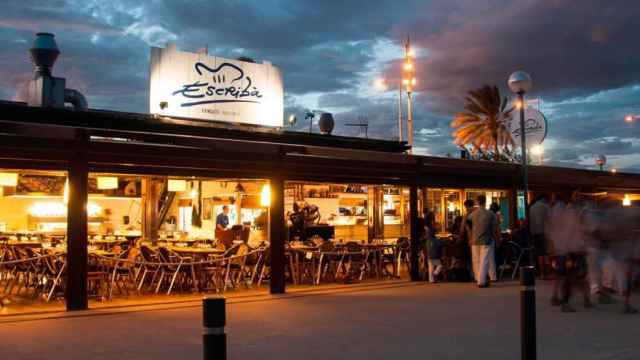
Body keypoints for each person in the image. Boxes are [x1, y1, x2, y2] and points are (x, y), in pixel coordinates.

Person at [547, 192, 592, 312]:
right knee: (573, 275)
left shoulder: (560, 210)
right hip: (571, 249)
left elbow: (553, 230)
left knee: (566, 275)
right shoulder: (570, 212)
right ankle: (568, 302)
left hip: (565, 248)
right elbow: (571, 231)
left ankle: (582, 299)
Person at [470, 195, 499, 287]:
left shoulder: (473, 214)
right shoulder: (490, 214)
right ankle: (482, 281)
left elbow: (467, 223)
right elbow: (494, 229)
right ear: (485, 201)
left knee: (476, 260)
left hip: (475, 240)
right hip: (486, 239)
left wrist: (470, 236)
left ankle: (478, 278)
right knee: (484, 261)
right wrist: (497, 239)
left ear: (477, 201)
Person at [529, 194, 551, 279]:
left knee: (539, 254)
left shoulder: (532, 208)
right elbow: (550, 219)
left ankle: (542, 273)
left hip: (535, 233)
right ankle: (546, 273)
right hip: (544, 232)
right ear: (544, 199)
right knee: (545, 253)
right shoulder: (545, 206)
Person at [460, 199, 476, 280]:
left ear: (466, 206)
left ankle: (472, 274)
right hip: (479, 237)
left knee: (471, 258)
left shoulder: (467, 215)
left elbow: (464, 228)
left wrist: (461, 235)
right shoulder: (478, 212)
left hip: (470, 238)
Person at [425, 215, 443, 283]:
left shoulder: (428, 240)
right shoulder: (435, 240)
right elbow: (441, 243)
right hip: (435, 256)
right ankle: (435, 273)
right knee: (440, 265)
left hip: (429, 256)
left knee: (430, 268)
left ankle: (431, 279)